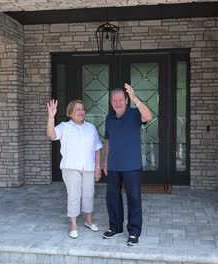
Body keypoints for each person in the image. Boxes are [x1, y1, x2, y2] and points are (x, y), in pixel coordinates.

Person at [102, 83, 152, 246]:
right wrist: (105, 162)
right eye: (114, 100)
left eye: (121, 100)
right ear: (111, 103)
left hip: (132, 166)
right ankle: (116, 227)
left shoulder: (134, 113)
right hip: (114, 165)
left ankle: (134, 232)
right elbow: (108, 141)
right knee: (112, 198)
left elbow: (149, 116)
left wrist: (135, 98)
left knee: (134, 198)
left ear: (126, 100)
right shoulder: (109, 118)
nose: (118, 103)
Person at [47, 99, 103, 239]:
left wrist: (98, 167)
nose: (81, 111)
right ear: (70, 113)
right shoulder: (64, 127)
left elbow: (97, 148)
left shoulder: (91, 128)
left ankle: (88, 221)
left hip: (89, 167)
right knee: (74, 195)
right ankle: (73, 224)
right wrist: (51, 117)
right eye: (77, 109)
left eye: (82, 109)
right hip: (71, 167)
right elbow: (51, 135)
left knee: (89, 194)